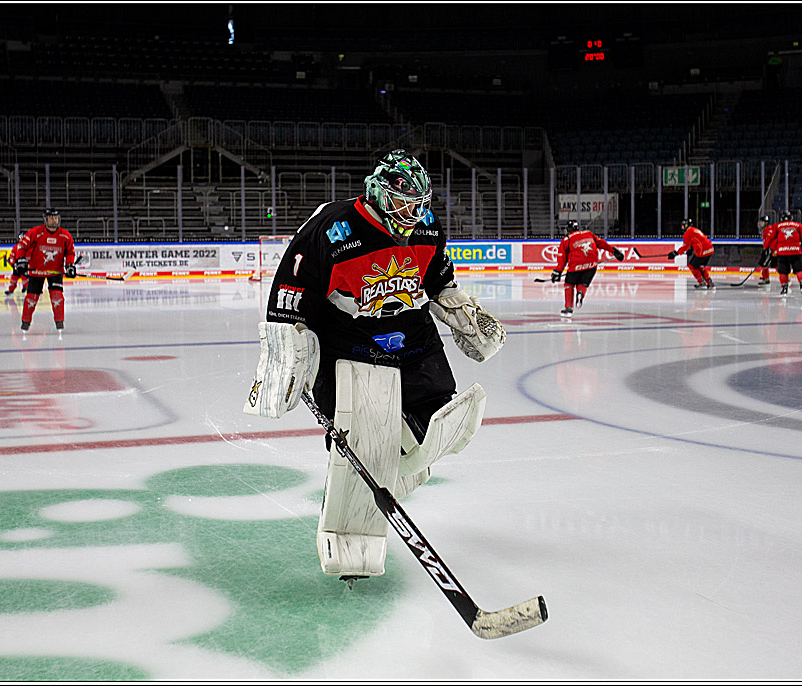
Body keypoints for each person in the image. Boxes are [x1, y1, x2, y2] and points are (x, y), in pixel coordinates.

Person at [243, 150, 506, 585]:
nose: (412, 213)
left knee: (435, 416)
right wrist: (285, 350)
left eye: (418, 204)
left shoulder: (427, 228)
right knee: (359, 430)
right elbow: (291, 285)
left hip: (406, 323)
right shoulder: (335, 225)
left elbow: (438, 279)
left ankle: (395, 466)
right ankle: (352, 507)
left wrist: (462, 313)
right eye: (403, 202)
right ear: (378, 192)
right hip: (342, 329)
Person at [12, 208, 77, 331]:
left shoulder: (65, 235)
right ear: (45, 219)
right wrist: (20, 259)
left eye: (56, 218)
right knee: (31, 298)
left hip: (55, 271)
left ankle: (60, 325)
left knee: (57, 297)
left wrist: (69, 265)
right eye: (51, 218)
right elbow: (22, 245)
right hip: (37, 271)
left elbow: (70, 252)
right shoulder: (35, 232)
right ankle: (25, 323)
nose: (54, 220)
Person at [550, 220, 624, 317]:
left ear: (568, 230)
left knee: (569, 284)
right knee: (583, 284)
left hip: (576, 265)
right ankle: (580, 293)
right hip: (592, 264)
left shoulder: (566, 240)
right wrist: (613, 251)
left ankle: (568, 308)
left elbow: (562, 258)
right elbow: (601, 243)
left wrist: (558, 272)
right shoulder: (588, 233)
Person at [767, 211, 802, 296]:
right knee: (800, 269)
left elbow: (771, 239)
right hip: (796, 251)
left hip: (782, 253)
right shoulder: (798, 225)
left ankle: (784, 287)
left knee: (783, 271)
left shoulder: (777, 226)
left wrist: (769, 249)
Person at [667, 218, 715, 289]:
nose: (682, 227)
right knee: (700, 266)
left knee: (692, 266)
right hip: (710, 249)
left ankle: (702, 282)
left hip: (702, 251)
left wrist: (676, 253)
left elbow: (685, 247)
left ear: (686, 225)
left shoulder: (687, 233)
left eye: (683, 226)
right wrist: (691, 249)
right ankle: (709, 282)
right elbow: (697, 240)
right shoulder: (694, 230)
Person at [4, 230, 29, 295]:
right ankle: (11, 290)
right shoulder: (16, 247)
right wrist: (13, 264)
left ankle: (27, 288)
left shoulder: (29, 247)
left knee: (25, 278)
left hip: (25, 266)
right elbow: (11, 256)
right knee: (13, 279)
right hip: (17, 266)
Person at [756, 215, 776, 287]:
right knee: (767, 264)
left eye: (762, 222)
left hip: (771, 251)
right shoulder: (765, 230)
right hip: (769, 250)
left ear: (766, 223)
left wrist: (765, 249)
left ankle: (766, 278)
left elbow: (768, 240)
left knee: (764, 264)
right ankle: (765, 277)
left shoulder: (769, 229)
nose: (760, 224)